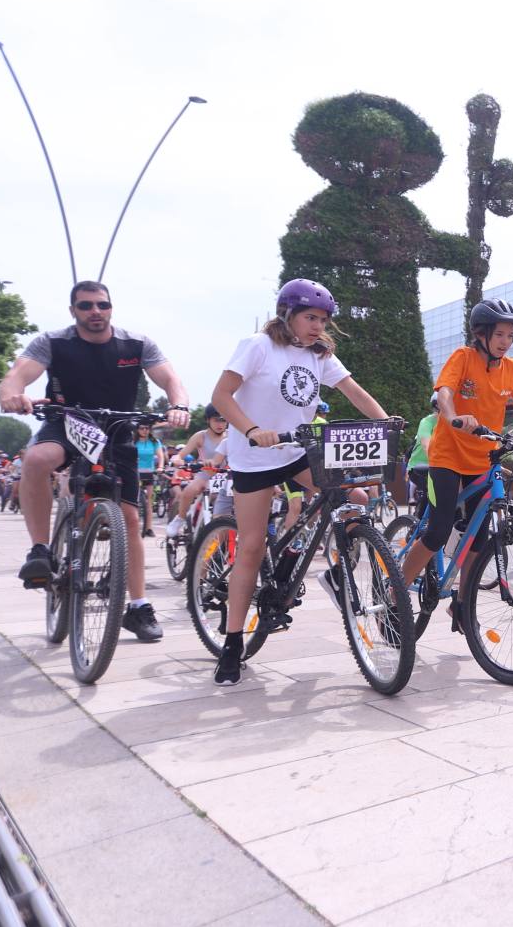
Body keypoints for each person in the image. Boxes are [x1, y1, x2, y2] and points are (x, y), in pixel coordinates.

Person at [207, 279, 393, 685]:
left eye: (323, 319)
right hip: (255, 457)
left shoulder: (319, 355)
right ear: (287, 313)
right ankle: (233, 643)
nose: (317, 326)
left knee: (354, 495)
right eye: (310, 317)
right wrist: (252, 429)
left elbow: (353, 390)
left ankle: (330, 567)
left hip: (297, 452)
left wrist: (386, 420)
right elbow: (222, 396)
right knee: (252, 547)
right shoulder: (258, 346)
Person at [0, 280, 190, 643]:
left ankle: (138, 607)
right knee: (37, 459)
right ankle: (40, 550)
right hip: (66, 422)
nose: (95, 312)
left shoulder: (137, 343)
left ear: (111, 308)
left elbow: (170, 378)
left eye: (101, 305)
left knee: (131, 519)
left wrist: (178, 404)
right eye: (85, 306)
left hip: (117, 429)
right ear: (73, 311)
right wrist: (11, 394)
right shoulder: (53, 342)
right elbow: (18, 375)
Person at [396, 299, 513, 615]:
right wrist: (455, 416)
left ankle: (462, 602)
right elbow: (444, 392)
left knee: (479, 536)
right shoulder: (464, 358)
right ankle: (395, 589)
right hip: (447, 456)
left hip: (483, 459)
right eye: (499, 335)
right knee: (439, 529)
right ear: (481, 333)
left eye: (510, 336)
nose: (505, 342)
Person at [164, 408, 231, 538]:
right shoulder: (200, 436)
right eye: (216, 420)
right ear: (208, 420)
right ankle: (180, 518)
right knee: (189, 490)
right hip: (205, 474)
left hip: (227, 475)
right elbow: (182, 454)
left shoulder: (231, 436)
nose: (220, 424)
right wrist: (177, 459)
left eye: (223, 420)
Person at [405, 394, 438, 520]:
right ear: (437, 405)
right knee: (433, 490)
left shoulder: (454, 422)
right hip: (419, 467)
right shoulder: (427, 422)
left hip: (441, 466)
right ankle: (420, 523)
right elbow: (426, 446)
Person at [133, 422, 164, 536]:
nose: (145, 430)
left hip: (149, 473)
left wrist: (160, 467)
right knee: (134, 500)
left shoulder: (155, 442)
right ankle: (134, 527)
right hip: (135, 473)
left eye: (147, 428)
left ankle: (148, 528)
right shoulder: (133, 442)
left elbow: (160, 456)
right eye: (142, 428)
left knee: (149, 501)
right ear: (137, 430)